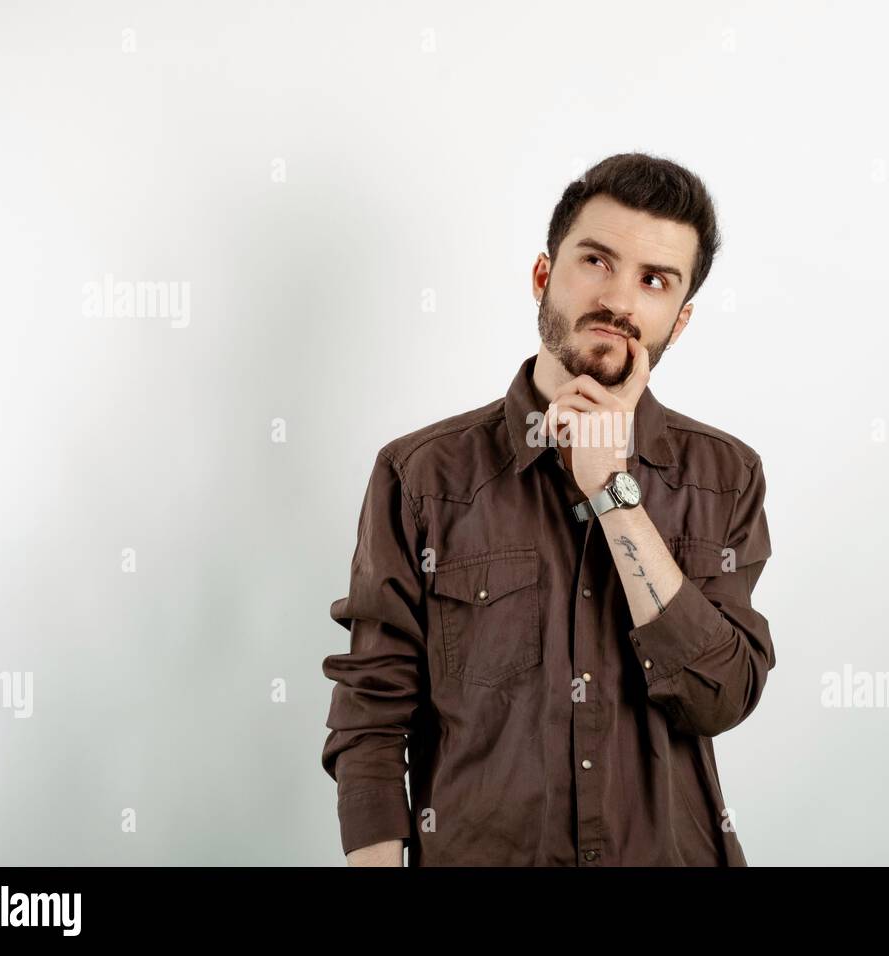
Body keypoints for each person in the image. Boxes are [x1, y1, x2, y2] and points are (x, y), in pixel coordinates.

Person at [321, 152, 776, 866]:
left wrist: (612, 489)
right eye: (597, 261)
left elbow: (718, 695)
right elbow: (372, 717)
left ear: (678, 321)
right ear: (544, 276)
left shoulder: (724, 477)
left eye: (653, 280)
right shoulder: (420, 476)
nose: (621, 300)